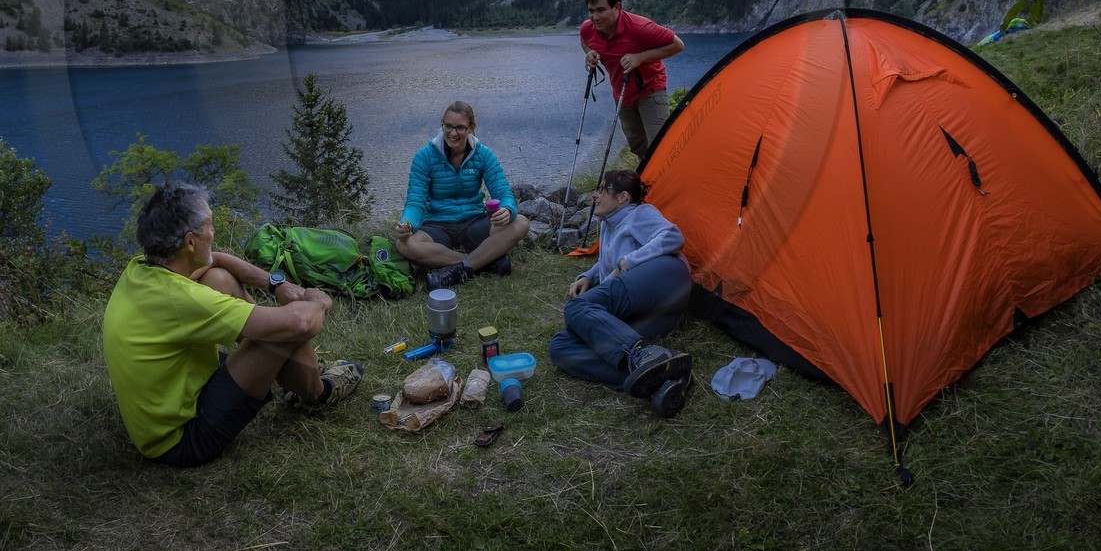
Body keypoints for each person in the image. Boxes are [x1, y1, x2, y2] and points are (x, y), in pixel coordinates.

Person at [102, 181, 363, 466]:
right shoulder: (181, 300)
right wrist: (317, 301)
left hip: (171, 403)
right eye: (210, 226)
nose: (214, 234)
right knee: (283, 329)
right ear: (190, 242)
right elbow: (300, 324)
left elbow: (217, 262)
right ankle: (317, 393)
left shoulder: (143, 269)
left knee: (220, 279)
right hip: (181, 440)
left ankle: (296, 374)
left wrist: (277, 285)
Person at [548, 169, 694, 419]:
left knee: (576, 308)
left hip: (666, 280)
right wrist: (589, 276)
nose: (595, 195)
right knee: (560, 347)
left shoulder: (639, 213)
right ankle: (658, 378)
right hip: (649, 313)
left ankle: (640, 353)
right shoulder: (608, 224)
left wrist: (628, 262)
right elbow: (610, 261)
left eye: (602, 190)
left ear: (623, 197)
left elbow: (672, 236)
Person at [395, 100, 531, 290]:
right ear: (442, 125)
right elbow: (415, 202)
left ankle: (459, 269)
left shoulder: (483, 154)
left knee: (521, 223)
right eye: (448, 126)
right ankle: (480, 263)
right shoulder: (425, 156)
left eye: (460, 127)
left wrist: (508, 210)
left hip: (474, 222)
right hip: (438, 225)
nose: (453, 133)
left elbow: (503, 192)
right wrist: (407, 223)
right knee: (404, 245)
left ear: (471, 128)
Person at [579, 0, 685, 162]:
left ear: (617, 7)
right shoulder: (588, 29)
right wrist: (590, 53)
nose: (595, 17)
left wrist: (640, 57)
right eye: (591, 11)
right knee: (638, 146)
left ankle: (672, 183)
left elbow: (677, 45)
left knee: (660, 145)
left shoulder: (640, 28)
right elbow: (584, 42)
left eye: (601, 10)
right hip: (622, 94)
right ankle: (647, 184)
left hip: (651, 89)